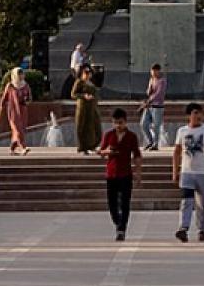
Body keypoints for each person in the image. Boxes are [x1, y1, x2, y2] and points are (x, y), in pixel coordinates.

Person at [172, 101, 204, 242]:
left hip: (203, 172)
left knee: (202, 204)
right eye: (195, 113)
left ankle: (202, 230)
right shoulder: (182, 131)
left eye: (200, 113)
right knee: (186, 201)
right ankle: (183, 228)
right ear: (189, 115)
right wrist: (175, 171)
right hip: (187, 172)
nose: (198, 116)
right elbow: (176, 152)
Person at [99, 107, 143, 241]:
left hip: (125, 174)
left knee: (125, 203)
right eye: (116, 122)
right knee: (112, 203)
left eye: (121, 122)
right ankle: (117, 222)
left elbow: (137, 155)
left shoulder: (131, 137)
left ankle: (121, 229)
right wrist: (108, 152)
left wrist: (138, 173)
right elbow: (100, 152)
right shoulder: (109, 135)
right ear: (112, 122)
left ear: (126, 122)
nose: (119, 125)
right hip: (111, 174)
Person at [0, 66, 32, 155]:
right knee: (17, 129)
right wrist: (0, 111)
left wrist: (27, 101)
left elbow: (30, 98)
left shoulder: (25, 85)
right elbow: (4, 99)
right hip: (13, 111)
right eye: (19, 75)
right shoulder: (10, 86)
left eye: (22, 74)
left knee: (21, 130)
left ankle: (12, 147)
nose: (21, 76)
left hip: (23, 110)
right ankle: (23, 147)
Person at [72, 65, 101, 154]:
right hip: (83, 108)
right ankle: (83, 147)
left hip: (92, 108)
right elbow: (73, 94)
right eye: (86, 73)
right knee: (82, 127)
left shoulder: (91, 83)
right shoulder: (79, 82)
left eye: (89, 73)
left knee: (94, 127)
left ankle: (92, 145)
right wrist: (84, 96)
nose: (88, 75)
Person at [141, 62, 167, 150]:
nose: (153, 73)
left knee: (156, 126)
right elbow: (148, 92)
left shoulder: (162, 81)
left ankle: (155, 144)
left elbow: (159, 94)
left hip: (157, 106)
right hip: (149, 106)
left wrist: (149, 100)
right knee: (143, 124)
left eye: (155, 71)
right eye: (152, 71)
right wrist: (150, 86)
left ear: (158, 71)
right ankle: (150, 141)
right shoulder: (152, 79)